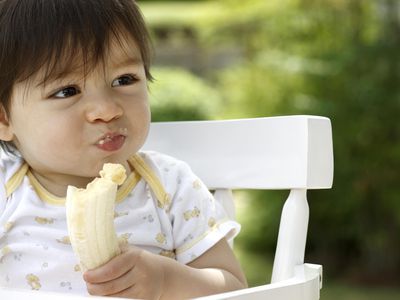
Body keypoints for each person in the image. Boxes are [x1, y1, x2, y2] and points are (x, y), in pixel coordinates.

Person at [0, 0, 247, 299]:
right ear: (4, 118)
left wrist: (165, 281)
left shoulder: (169, 187)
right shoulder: (6, 189)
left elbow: (233, 287)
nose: (106, 110)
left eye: (124, 79)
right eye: (67, 91)